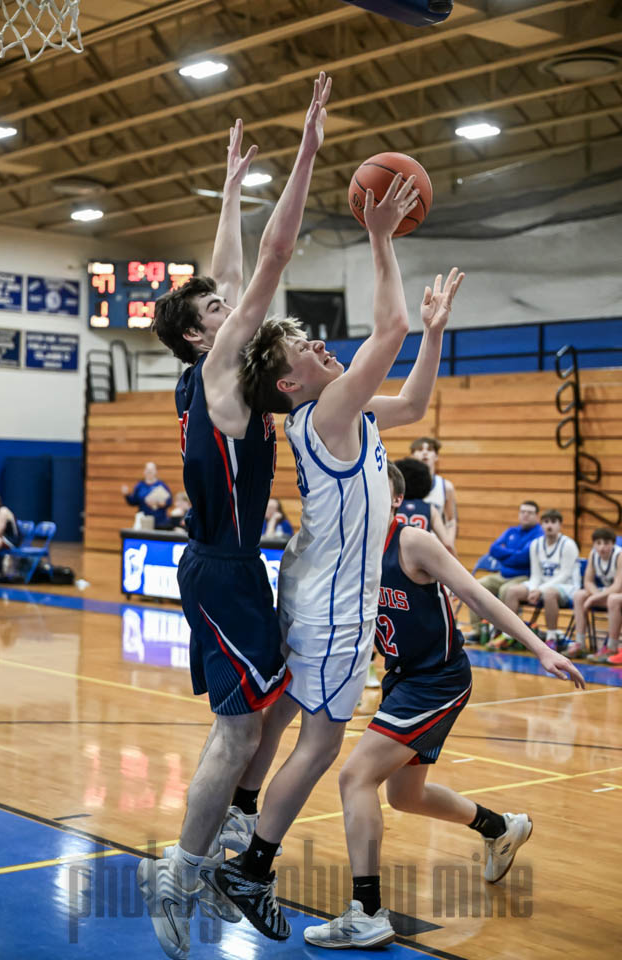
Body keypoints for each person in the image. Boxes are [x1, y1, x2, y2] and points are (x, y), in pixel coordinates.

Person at [215, 175, 465, 940]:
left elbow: (413, 403)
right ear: (290, 381)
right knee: (321, 744)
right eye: (305, 347)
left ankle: (241, 810)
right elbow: (386, 329)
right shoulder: (328, 408)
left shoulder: (338, 408)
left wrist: (432, 335)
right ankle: (252, 865)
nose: (320, 343)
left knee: (293, 713)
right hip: (333, 609)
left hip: (312, 592)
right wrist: (381, 237)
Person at [135, 75, 332, 960]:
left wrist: (228, 192)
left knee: (273, 701)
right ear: (197, 337)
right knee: (240, 728)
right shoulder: (218, 372)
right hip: (222, 566)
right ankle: (182, 870)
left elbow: (230, 273)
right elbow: (272, 260)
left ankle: (231, 827)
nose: (230, 305)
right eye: (215, 310)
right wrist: (307, 154)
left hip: (234, 565)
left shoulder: (205, 370)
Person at [301, 465, 585, 949]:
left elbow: (475, 594)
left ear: (395, 500)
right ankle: (500, 828)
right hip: (402, 678)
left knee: (354, 778)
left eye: (373, 488)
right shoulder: (351, 549)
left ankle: (366, 912)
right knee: (405, 796)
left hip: (438, 679)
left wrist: (541, 648)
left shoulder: (413, 542)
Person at [498, 509, 579, 650]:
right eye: (546, 522)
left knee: (549, 593)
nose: (549, 525)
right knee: (512, 591)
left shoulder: (568, 544)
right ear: (541, 525)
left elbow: (565, 575)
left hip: (567, 587)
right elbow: (535, 574)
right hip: (542, 585)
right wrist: (534, 589)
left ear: (560, 525)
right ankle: (509, 635)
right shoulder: (535, 544)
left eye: (553, 522)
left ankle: (551, 638)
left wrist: (540, 590)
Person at [466, 500, 542, 643]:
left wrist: (506, 555)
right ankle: (478, 630)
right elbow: (493, 549)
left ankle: (501, 633)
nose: (525, 515)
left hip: (523, 576)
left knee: (506, 590)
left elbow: (524, 557)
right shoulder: (511, 531)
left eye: (530, 513)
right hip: (502, 574)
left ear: (537, 516)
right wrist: (514, 555)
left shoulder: (539, 534)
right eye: (523, 512)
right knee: (476, 585)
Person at [565, 527, 622, 662]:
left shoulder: (619, 556)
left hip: (617, 594)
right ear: (594, 544)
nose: (602, 547)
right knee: (579, 595)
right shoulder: (593, 555)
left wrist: (594, 598)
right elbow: (588, 581)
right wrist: (596, 595)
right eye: (598, 543)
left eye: (606, 543)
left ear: (613, 544)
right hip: (608, 593)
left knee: (613, 599)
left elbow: (618, 586)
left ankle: (611, 647)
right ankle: (580, 644)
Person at [393, 456, 454, 551]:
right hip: (421, 557)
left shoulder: (392, 507)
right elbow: (447, 544)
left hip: (394, 556)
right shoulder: (430, 509)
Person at [410, 436, 457, 545]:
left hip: (435, 545)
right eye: (420, 449)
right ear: (412, 455)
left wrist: (449, 543)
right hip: (409, 543)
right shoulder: (402, 484)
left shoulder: (446, 486)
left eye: (429, 450)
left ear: (436, 456)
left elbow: (451, 520)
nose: (425, 453)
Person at [121, 462, 172, 527]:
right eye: (148, 469)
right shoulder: (140, 485)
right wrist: (127, 495)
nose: (149, 471)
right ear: (144, 471)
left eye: (151, 470)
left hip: (159, 521)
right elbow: (133, 501)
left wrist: (157, 503)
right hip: (144, 520)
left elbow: (169, 502)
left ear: (156, 471)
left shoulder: (161, 485)